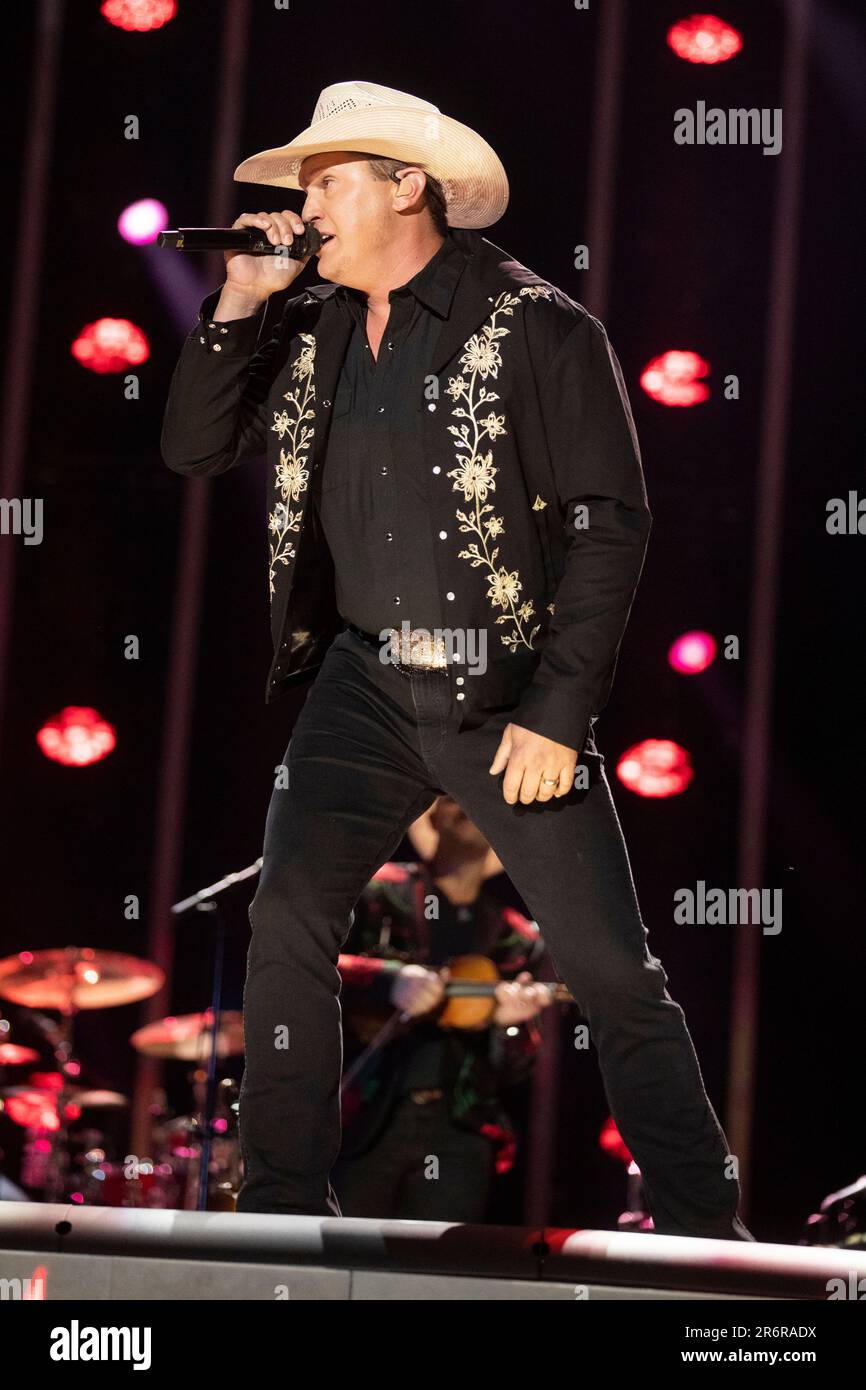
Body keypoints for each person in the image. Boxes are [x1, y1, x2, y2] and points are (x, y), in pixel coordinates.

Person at [162, 80, 754, 1239]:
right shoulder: (312, 319)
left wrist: (555, 709)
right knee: (287, 908)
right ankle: (281, 1208)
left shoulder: (536, 324)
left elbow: (608, 523)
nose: (307, 206)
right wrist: (239, 296)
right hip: (366, 677)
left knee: (612, 972)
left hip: (504, 688)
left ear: (406, 186)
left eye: (327, 180)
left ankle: (706, 1229)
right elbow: (192, 450)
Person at [333, 795, 550, 1221]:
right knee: (345, 1265)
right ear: (433, 814)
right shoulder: (380, 889)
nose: (467, 804)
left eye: (480, 798)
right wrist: (388, 979)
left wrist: (510, 1026)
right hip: (365, 1115)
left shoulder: (516, 936)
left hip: (458, 1132)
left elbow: (516, 1069)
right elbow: (316, 964)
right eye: (453, 795)